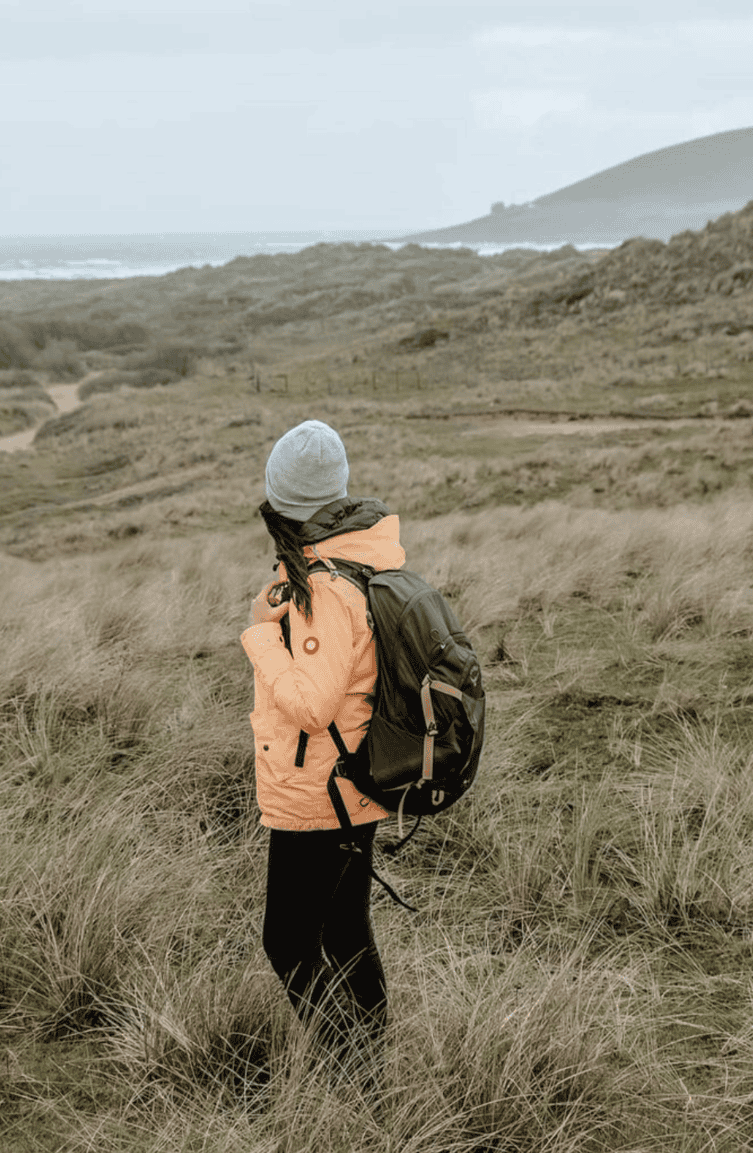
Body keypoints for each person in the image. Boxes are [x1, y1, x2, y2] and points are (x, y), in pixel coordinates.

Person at [240, 418, 404, 1097]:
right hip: (347, 786)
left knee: (289, 939)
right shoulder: (354, 563)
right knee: (343, 932)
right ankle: (369, 1071)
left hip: (320, 798)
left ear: (289, 504)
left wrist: (260, 638)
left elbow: (311, 704)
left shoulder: (329, 587)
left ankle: (350, 1069)